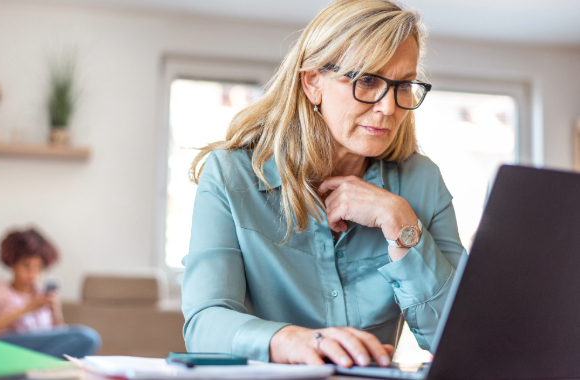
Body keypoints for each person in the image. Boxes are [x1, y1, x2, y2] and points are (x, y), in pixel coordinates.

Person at [181, 0, 466, 369]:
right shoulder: (231, 175)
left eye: (403, 85)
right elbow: (205, 323)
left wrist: (399, 222)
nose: (389, 108)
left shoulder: (422, 181)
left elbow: (459, 337)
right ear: (313, 82)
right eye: (367, 80)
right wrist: (295, 341)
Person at [0, 228, 101, 358]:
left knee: (84, 340)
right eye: (26, 266)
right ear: (13, 264)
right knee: (86, 336)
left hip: (35, 353)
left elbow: (56, 340)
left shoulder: (41, 294)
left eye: (39, 267)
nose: (33, 274)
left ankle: (31, 369)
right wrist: (27, 309)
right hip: (0, 349)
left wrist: (56, 314)